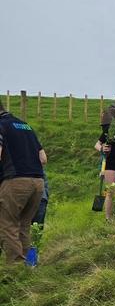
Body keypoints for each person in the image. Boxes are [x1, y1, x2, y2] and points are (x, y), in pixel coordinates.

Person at [0, 101, 48, 264]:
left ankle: (15, 268)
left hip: (15, 181)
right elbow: (43, 158)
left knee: (8, 225)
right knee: (23, 225)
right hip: (37, 182)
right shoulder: (25, 125)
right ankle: (27, 267)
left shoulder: (1, 125)